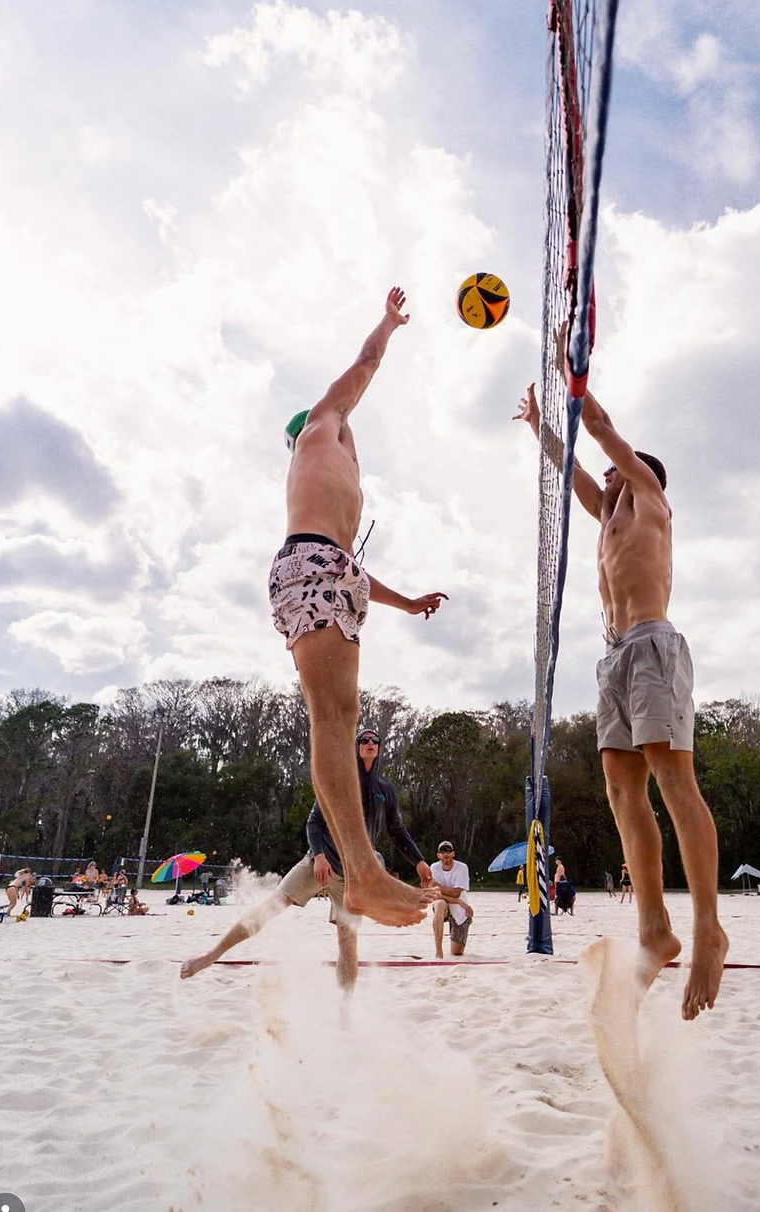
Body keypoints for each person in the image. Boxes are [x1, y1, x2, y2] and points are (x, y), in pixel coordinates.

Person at [515, 373, 727, 1021]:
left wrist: (569, 366)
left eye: (615, 475)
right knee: (620, 793)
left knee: (672, 781)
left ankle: (708, 929)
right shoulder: (608, 520)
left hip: (654, 645)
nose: (605, 480)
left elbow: (603, 438)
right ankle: (654, 929)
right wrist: (538, 428)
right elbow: (575, 468)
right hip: (612, 660)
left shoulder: (650, 497)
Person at [269, 287, 445, 930]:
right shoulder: (319, 424)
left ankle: (365, 872)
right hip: (310, 563)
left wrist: (406, 602)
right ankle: (362, 871)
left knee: (343, 717)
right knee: (331, 719)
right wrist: (389, 324)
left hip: (332, 572)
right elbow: (366, 363)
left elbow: (354, 571)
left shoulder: (345, 474)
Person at [181, 729, 433, 992]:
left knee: (348, 942)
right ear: (355, 747)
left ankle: (344, 1010)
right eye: (364, 740)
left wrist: (418, 860)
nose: (370, 744)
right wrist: (320, 856)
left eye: (375, 741)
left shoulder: (386, 790)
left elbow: (398, 831)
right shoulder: (337, 780)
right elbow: (314, 822)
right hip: (320, 862)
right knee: (272, 906)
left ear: (379, 748)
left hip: (353, 875)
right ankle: (210, 955)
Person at [430, 841, 473, 959]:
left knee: (457, 952)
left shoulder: (462, 868)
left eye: (448, 851)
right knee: (439, 904)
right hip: (451, 904)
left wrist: (438, 886)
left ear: (453, 853)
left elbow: (456, 893)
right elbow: (436, 895)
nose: (446, 854)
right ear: (438, 855)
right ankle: (439, 951)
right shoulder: (434, 867)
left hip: (460, 910)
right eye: (442, 851)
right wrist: (458, 901)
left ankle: (454, 935)